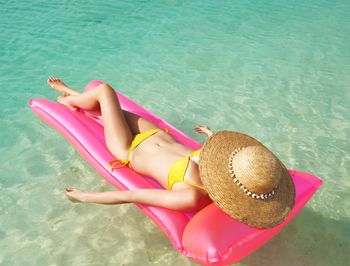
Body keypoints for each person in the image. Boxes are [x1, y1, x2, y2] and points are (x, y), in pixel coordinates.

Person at [47, 78, 295, 228]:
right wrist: (210, 135)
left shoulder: (191, 197)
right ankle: (74, 95)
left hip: (128, 148)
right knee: (106, 108)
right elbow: (221, 147)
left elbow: (135, 194)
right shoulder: (224, 166)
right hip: (154, 132)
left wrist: (84, 197)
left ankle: (70, 98)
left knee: (105, 92)